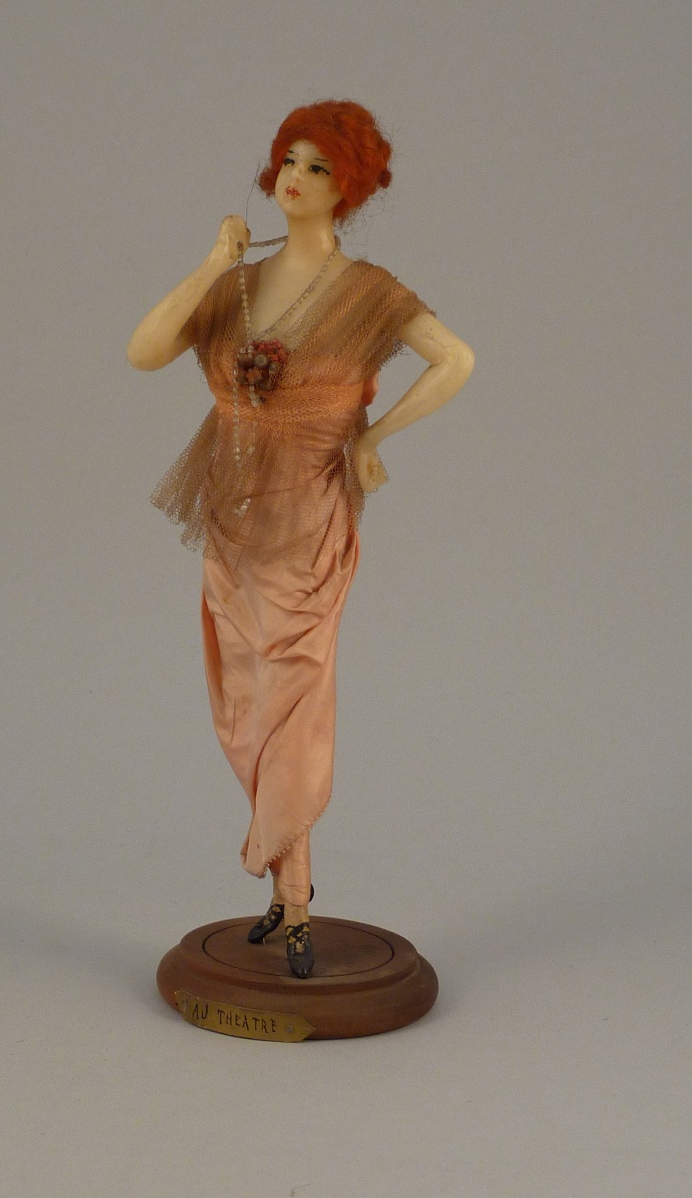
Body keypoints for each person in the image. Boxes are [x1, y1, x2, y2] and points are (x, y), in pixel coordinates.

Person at [127, 100, 474, 978]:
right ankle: (289, 893)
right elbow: (144, 350)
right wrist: (214, 260)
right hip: (233, 515)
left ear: (349, 187)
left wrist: (372, 437)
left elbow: (456, 359)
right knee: (244, 697)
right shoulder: (237, 285)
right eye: (290, 158)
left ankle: (297, 899)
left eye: (320, 167)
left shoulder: (369, 293)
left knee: (299, 693)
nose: (296, 177)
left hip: (310, 520)